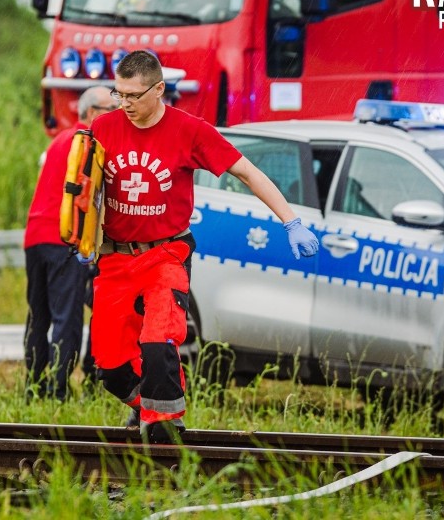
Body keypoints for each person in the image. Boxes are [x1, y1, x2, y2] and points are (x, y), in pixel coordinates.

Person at [87, 50, 319, 443]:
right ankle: (147, 405)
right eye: (118, 94)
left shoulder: (190, 131)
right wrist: (79, 233)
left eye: (133, 95)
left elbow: (246, 172)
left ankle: (165, 429)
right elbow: (83, 187)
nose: (124, 104)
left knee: (159, 340)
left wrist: (290, 221)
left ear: (159, 89)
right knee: (109, 364)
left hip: (166, 253)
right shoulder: (104, 128)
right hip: (115, 258)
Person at [24, 86, 117, 401]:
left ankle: (32, 385)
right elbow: (89, 200)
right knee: (67, 317)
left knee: (39, 315)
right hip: (64, 239)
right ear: (91, 112)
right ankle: (57, 390)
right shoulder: (88, 144)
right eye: (109, 108)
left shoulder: (59, 140)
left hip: (34, 238)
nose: (116, 115)